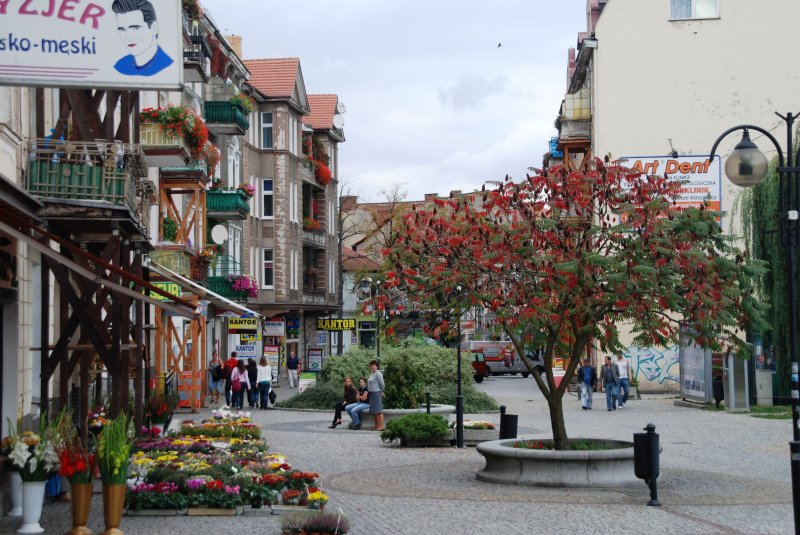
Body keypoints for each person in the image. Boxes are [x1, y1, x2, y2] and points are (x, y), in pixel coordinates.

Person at [111, 0, 174, 77]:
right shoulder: (120, 66)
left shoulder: (167, 68)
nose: (128, 37)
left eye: (135, 28)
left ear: (154, 28)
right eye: (122, 29)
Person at [367, 360, 385, 431]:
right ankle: (376, 426)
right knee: (374, 410)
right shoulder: (372, 373)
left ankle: (382, 426)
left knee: (379, 410)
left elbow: (382, 384)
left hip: (377, 392)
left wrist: (381, 391)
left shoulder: (378, 374)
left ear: (376, 366)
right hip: (371, 393)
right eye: (371, 365)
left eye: (374, 365)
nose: (372, 366)